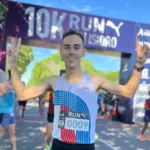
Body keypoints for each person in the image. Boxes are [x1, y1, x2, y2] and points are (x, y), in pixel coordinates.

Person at [1, 29, 149, 150]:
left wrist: (139, 64)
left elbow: (128, 91)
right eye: (67, 47)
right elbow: (21, 94)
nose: (71, 51)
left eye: (76, 47)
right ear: (61, 52)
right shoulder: (54, 81)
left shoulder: (95, 81)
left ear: (83, 52)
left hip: (85, 147)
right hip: (59, 146)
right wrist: (13, 64)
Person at [44, 69, 66, 150]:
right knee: (49, 135)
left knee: (62, 137)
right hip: (52, 114)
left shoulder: (69, 88)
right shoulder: (53, 86)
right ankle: (47, 146)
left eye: (65, 76)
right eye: (62, 76)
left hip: (62, 115)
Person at [0, 70, 16, 150]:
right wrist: (7, 89)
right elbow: (0, 94)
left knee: (13, 133)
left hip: (11, 112)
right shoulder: (4, 83)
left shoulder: (15, 85)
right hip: (4, 111)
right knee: (1, 133)